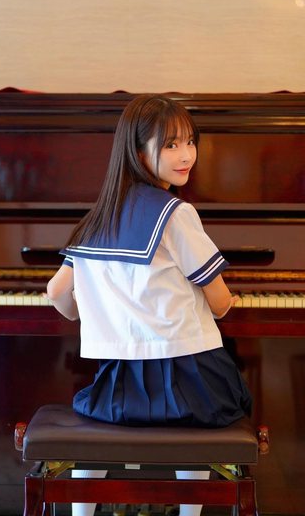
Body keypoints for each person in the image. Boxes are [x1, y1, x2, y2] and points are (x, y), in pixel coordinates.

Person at [45, 94, 252, 516]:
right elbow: (219, 303)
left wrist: (97, 309)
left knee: (99, 425)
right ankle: (189, 511)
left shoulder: (97, 218)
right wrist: (224, 299)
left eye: (190, 142)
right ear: (139, 152)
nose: (187, 155)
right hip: (190, 387)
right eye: (171, 145)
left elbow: (57, 294)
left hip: (118, 390)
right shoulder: (176, 214)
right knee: (219, 404)